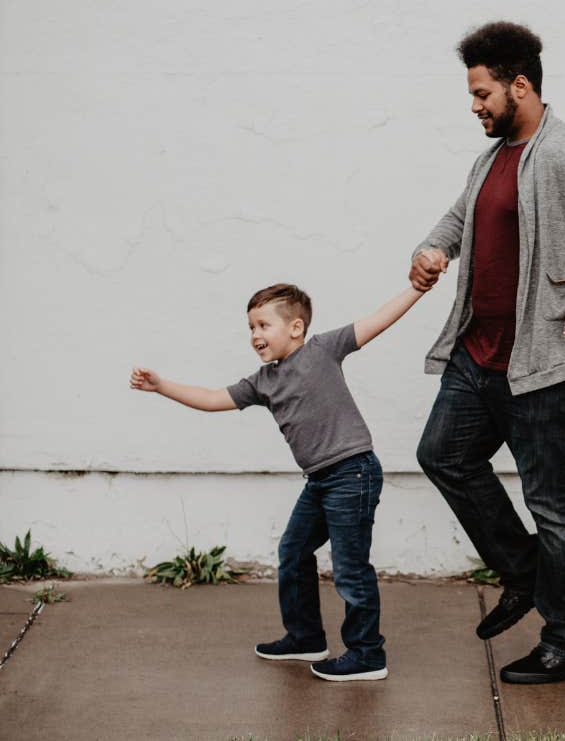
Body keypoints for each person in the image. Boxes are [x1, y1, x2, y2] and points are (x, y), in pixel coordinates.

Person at [410, 21, 565, 684]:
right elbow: (462, 216)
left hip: (546, 363)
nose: (474, 105)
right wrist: (431, 251)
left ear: (520, 85)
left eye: (482, 92)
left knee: (556, 501)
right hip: (480, 352)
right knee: (443, 454)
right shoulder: (491, 157)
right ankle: (524, 574)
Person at [129, 282, 427, 682]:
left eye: (263, 325)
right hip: (320, 480)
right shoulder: (263, 381)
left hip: (352, 473)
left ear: (296, 328)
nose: (255, 336)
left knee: (350, 568)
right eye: (250, 327)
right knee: (293, 550)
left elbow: (378, 320)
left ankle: (367, 653)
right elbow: (213, 398)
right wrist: (161, 386)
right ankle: (305, 637)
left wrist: (417, 289)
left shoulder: (323, 349)